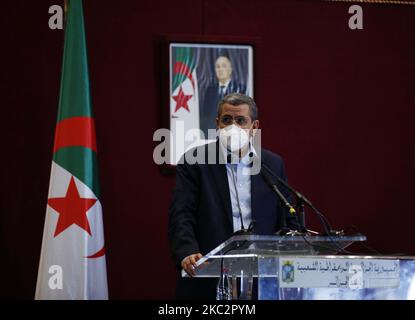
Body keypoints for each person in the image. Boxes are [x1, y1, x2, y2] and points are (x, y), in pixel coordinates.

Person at [168, 93, 297, 299]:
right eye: (227, 120)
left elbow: (287, 213)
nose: (233, 126)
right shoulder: (195, 161)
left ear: (254, 127)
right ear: (217, 123)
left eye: (240, 121)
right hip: (208, 273)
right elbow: (181, 213)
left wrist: (297, 241)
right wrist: (186, 251)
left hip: (261, 278)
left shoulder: (272, 164)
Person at [200, 56, 247, 138]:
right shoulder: (209, 91)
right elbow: (206, 116)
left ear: (230, 69)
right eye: (218, 66)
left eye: (224, 66)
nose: (220, 69)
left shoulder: (241, 89)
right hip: (212, 136)